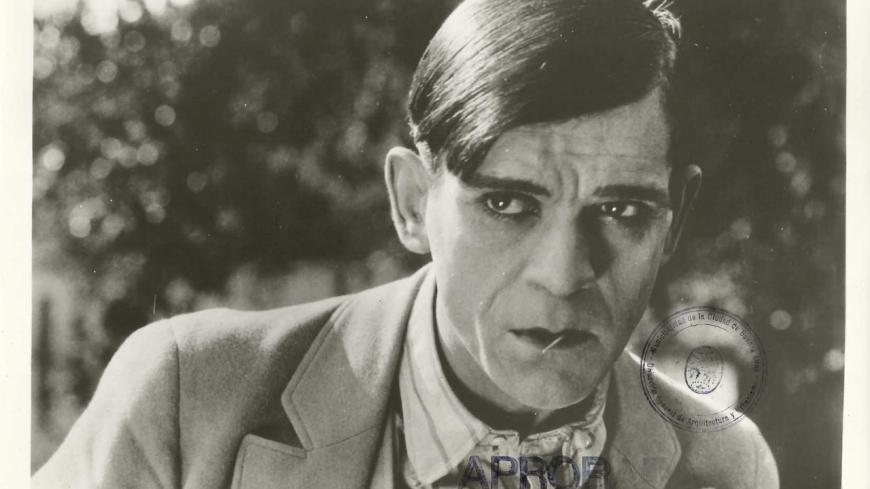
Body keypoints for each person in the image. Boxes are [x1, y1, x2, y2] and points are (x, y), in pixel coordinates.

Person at [34, 0, 778, 487]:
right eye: (507, 203)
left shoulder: (727, 464)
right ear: (413, 203)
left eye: (620, 209)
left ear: (676, 219)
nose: (564, 273)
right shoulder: (185, 403)